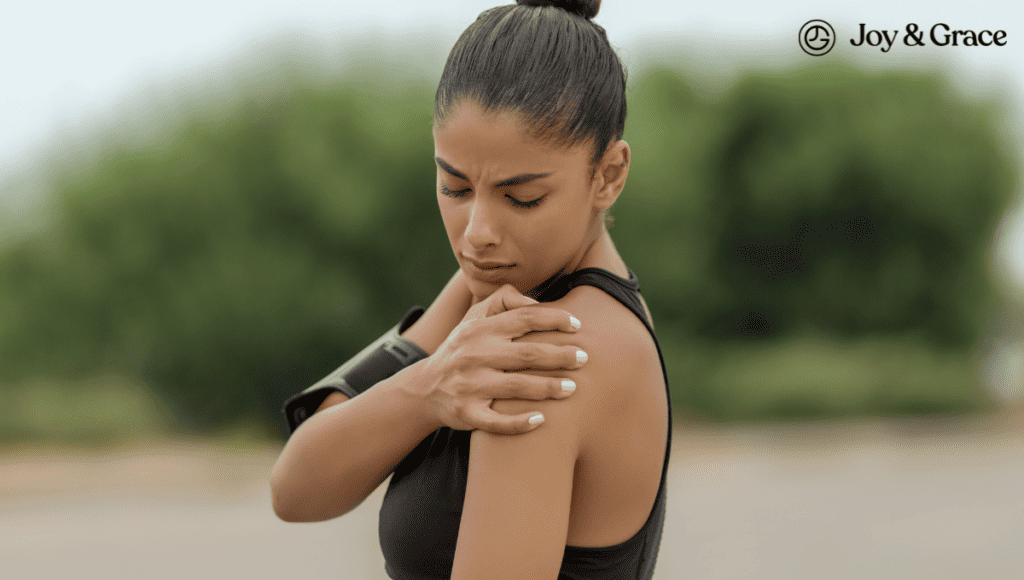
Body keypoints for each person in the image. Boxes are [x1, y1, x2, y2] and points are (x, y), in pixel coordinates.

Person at [270, 1, 672, 578]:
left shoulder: (544, 351)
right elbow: (297, 488)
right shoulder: (492, 284)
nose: (478, 234)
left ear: (608, 174)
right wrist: (429, 386)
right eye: (454, 187)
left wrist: (434, 383)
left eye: (522, 197)